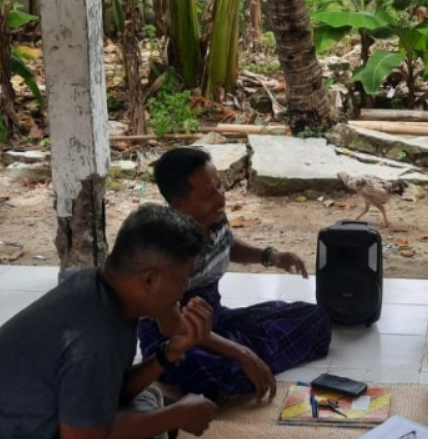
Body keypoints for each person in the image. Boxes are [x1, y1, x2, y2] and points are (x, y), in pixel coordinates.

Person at [0, 203, 218, 439]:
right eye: (183, 278)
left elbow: (107, 393)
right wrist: (175, 416)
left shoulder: (98, 288)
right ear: (149, 281)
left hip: (16, 417)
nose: (186, 287)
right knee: (152, 415)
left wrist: (170, 353)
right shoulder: (96, 337)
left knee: (147, 405)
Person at [138, 147, 332, 402]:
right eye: (209, 193)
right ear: (179, 205)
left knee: (316, 319)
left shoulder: (214, 218)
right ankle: (241, 366)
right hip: (173, 335)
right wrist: (242, 352)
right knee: (204, 370)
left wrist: (271, 256)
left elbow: (228, 245)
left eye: (220, 187)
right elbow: (175, 324)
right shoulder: (167, 247)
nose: (220, 198)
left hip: (215, 318)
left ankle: (241, 367)